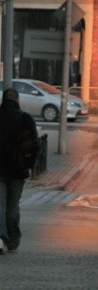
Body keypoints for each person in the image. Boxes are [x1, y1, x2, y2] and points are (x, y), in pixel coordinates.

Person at [0, 87, 40, 254]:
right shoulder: (25, 119)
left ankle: (1, 238)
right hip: (18, 169)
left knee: (0, 204)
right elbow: (34, 145)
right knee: (13, 205)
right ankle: (13, 239)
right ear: (17, 100)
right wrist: (29, 165)